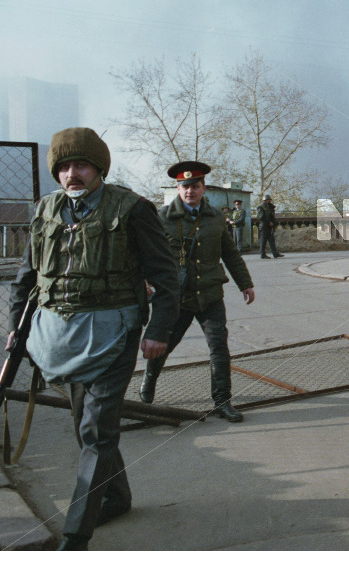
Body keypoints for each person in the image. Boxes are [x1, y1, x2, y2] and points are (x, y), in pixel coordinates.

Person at [5, 128, 179, 550]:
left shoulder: (133, 208)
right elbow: (28, 277)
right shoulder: (45, 209)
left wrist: (158, 331)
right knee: (87, 428)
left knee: (97, 431)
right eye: (63, 167)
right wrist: (17, 328)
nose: (71, 174)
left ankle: (74, 537)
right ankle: (115, 497)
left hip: (113, 332)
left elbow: (166, 277)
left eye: (80, 165)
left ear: (99, 168)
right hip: (59, 336)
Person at [139, 161, 255, 423]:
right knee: (164, 346)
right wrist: (144, 281)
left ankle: (223, 401)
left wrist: (245, 283)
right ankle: (149, 378)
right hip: (175, 297)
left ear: (203, 189)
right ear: (178, 189)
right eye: (184, 186)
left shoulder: (215, 217)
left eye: (194, 186)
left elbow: (230, 253)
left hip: (210, 294)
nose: (189, 191)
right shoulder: (162, 217)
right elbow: (147, 254)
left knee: (219, 348)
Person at [256, 194, 283, 259]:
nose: (268, 201)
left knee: (272, 240)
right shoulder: (261, 207)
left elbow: (272, 217)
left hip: (270, 226)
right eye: (267, 200)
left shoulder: (270, 207)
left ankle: (275, 253)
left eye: (269, 200)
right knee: (263, 241)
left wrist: (273, 223)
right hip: (264, 226)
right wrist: (268, 222)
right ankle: (262, 254)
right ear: (264, 200)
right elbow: (261, 217)